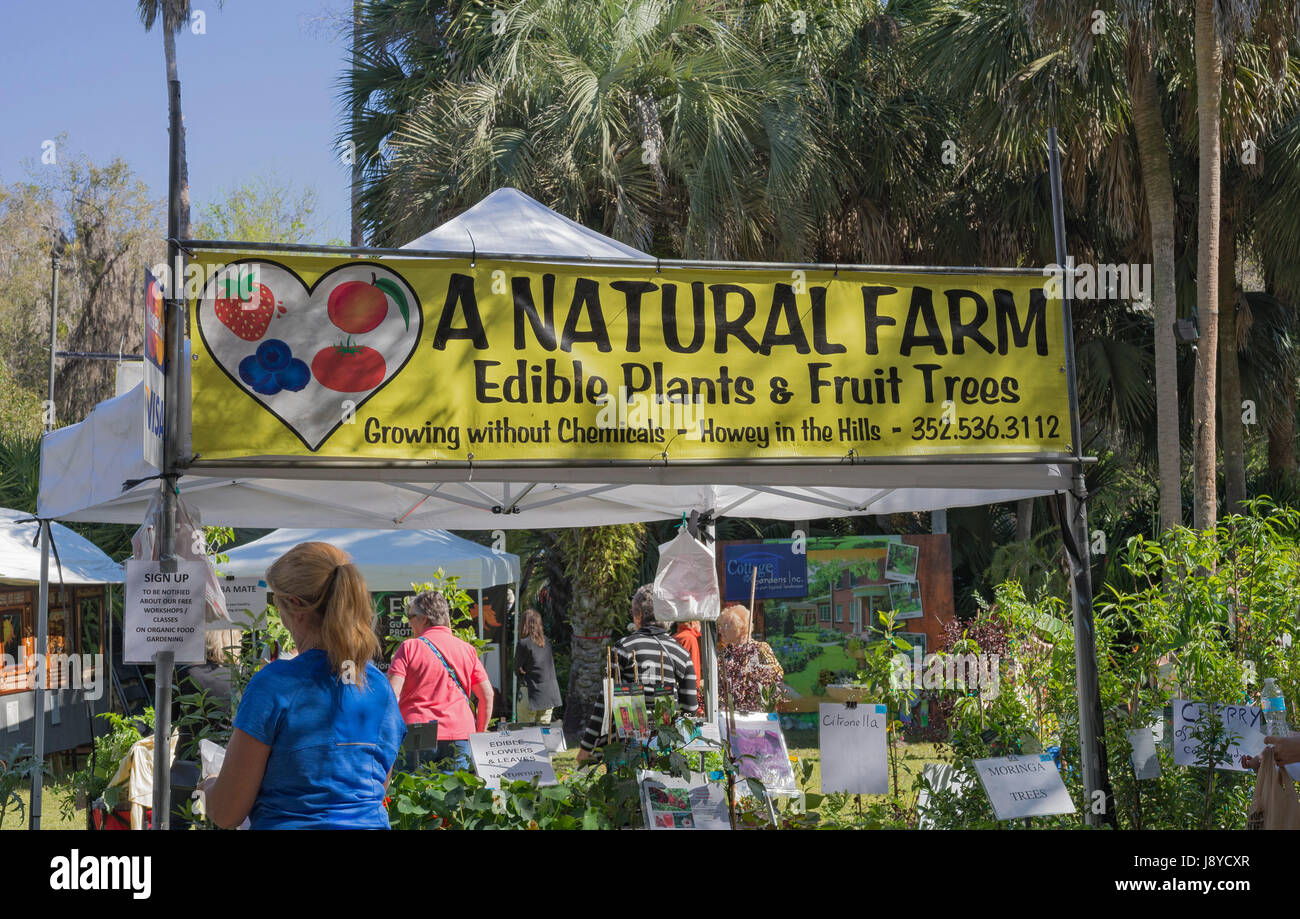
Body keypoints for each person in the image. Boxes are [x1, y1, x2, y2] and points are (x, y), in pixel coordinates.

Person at [200, 542, 405, 829]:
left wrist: (209, 784)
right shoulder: (378, 687)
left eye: (277, 602)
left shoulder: (274, 685)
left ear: (295, 608)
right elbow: (375, 786)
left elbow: (227, 813)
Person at [577, 584, 698, 763]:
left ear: (638, 615)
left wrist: (587, 747)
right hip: (665, 749)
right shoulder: (681, 654)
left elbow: (605, 703)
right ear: (669, 616)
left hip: (626, 749)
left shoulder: (623, 648)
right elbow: (690, 711)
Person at [388, 590, 494, 772]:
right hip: (460, 734)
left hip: (418, 733)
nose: (410, 622)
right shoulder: (467, 650)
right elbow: (487, 696)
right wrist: (479, 733)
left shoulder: (410, 647)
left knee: (412, 795)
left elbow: (390, 694)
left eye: (411, 616)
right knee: (454, 795)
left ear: (425, 619)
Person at [717, 603, 786, 712]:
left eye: (725, 626)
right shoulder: (724, 654)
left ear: (739, 627)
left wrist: (753, 674)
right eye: (720, 626)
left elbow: (777, 674)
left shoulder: (760, 649)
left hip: (755, 713)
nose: (720, 631)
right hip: (729, 714)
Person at [515, 608, 562, 724]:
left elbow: (517, 670)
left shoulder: (523, 643)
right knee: (543, 734)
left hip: (531, 692)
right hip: (549, 693)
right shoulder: (546, 641)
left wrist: (522, 671)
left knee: (525, 734)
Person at [672, 619, 705, 716]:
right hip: (687, 696)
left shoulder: (673, 637)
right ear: (693, 623)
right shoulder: (690, 639)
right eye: (699, 622)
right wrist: (697, 701)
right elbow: (694, 672)